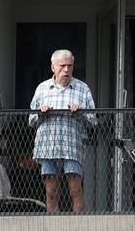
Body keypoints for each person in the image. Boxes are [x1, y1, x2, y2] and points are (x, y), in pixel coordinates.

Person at [29, 49, 96, 213]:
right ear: (53, 67)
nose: (66, 70)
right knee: (51, 192)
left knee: (76, 191)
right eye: (62, 66)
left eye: (70, 66)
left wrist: (80, 113)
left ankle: (79, 227)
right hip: (47, 146)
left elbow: (93, 120)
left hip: (72, 146)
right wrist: (41, 112)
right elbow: (31, 120)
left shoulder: (83, 88)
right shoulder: (42, 88)